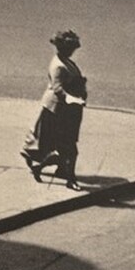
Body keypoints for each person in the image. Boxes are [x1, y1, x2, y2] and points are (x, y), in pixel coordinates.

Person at [21, 30, 88, 190]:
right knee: (69, 148)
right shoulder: (58, 65)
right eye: (71, 48)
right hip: (58, 110)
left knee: (65, 148)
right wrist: (73, 98)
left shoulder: (66, 61)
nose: (73, 51)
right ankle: (70, 180)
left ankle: (51, 169)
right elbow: (58, 89)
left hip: (69, 110)